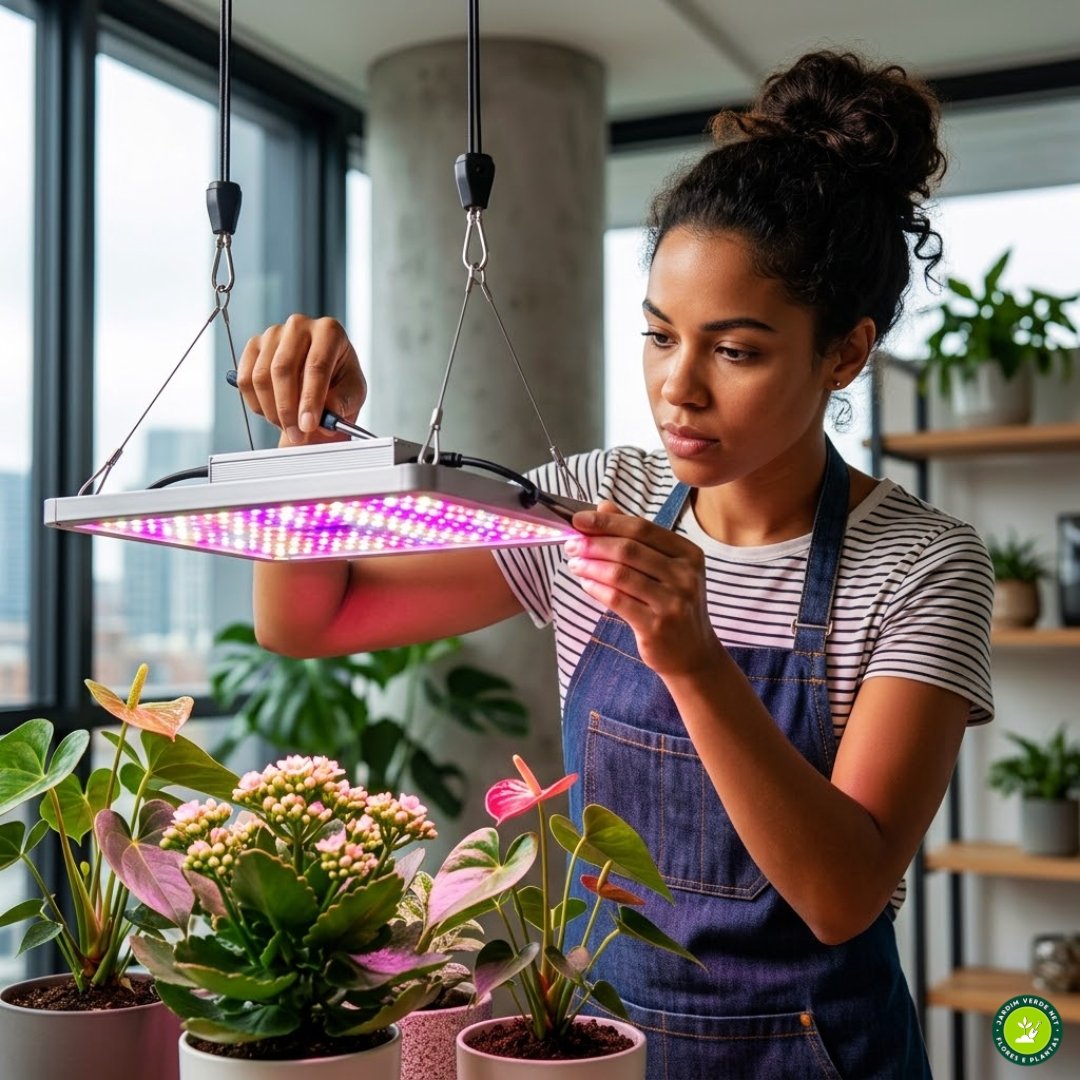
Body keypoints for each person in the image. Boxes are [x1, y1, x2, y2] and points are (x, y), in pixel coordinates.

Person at [237, 50, 993, 1079]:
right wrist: (309, 444)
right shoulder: (607, 497)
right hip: (597, 1049)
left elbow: (841, 891)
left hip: (818, 1057)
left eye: (735, 350)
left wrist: (693, 658)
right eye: (657, 335)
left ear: (845, 353)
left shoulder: (922, 567)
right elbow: (313, 619)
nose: (678, 388)